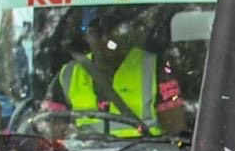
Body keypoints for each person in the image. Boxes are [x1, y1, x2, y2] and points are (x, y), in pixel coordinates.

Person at [44, 9, 188, 136]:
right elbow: (52, 132)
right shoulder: (67, 74)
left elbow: (176, 132)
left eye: (113, 30)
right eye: (97, 33)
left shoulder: (155, 68)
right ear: (85, 37)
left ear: (127, 34)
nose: (107, 40)